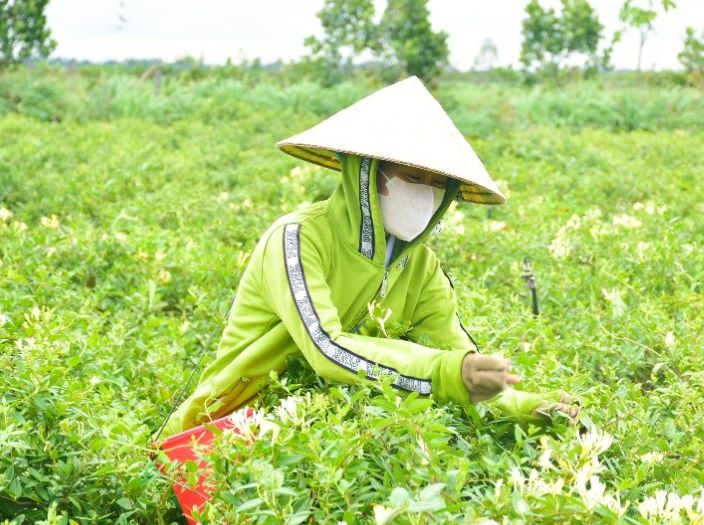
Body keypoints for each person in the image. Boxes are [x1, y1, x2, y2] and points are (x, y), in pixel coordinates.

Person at [157, 77, 578, 439]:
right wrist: (449, 373)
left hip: (325, 434)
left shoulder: (422, 268)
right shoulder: (298, 239)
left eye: (438, 185)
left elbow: (461, 361)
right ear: (366, 173)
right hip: (221, 430)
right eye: (412, 177)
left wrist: (526, 405)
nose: (425, 194)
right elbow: (326, 348)